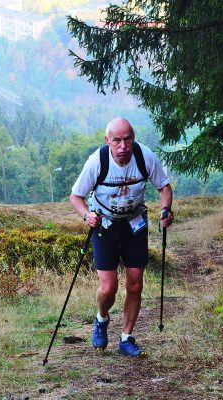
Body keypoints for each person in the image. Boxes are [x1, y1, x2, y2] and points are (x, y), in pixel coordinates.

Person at [70, 117, 174, 357]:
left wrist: (166, 209)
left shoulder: (145, 156)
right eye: (116, 140)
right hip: (104, 225)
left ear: (133, 138)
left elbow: (164, 187)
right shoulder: (98, 161)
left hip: (134, 225)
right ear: (108, 140)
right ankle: (101, 318)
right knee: (108, 288)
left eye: (127, 139)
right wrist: (87, 215)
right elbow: (76, 196)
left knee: (135, 283)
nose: (123, 145)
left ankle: (126, 338)